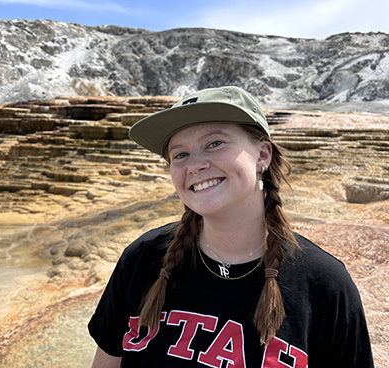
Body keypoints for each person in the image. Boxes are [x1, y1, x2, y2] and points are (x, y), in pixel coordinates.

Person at [88, 86, 374, 367]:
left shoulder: (325, 285)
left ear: (263, 155)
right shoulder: (143, 259)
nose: (196, 165)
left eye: (215, 143)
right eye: (180, 154)